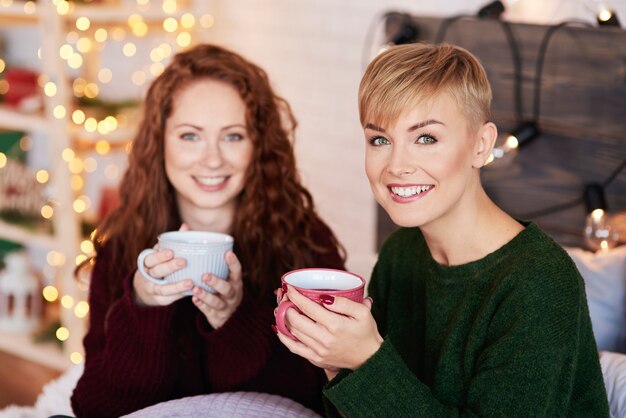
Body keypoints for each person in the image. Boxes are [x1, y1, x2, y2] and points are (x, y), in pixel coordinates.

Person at [276, 42, 609, 417]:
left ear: (481, 146)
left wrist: (367, 360)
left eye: (426, 138)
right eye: (380, 140)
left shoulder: (540, 280)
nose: (397, 165)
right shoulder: (401, 252)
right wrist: (338, 362)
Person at [71, 43, 345, 418]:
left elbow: (321, 399)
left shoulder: (305, 242)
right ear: (159, 142)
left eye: (233, 136)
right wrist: (144, 305)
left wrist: (234, 318)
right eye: (190, 136)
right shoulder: (122, 249)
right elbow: (93, 407)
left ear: (258, 145)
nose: (213, 159)